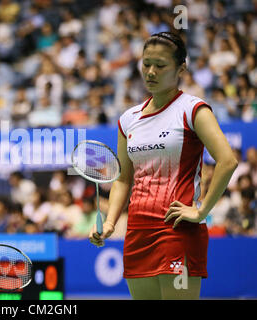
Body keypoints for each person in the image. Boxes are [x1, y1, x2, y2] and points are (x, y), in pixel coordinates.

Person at [89, 32, 238, 300]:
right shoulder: (129, 119)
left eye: (160, 65)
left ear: (181, 69)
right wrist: (110, 222)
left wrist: (202, 210)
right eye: (146, 64)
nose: (151, 72)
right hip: (137, 232)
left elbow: (227, 160)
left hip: (176, 229)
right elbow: (123, 178)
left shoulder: (193, 110)